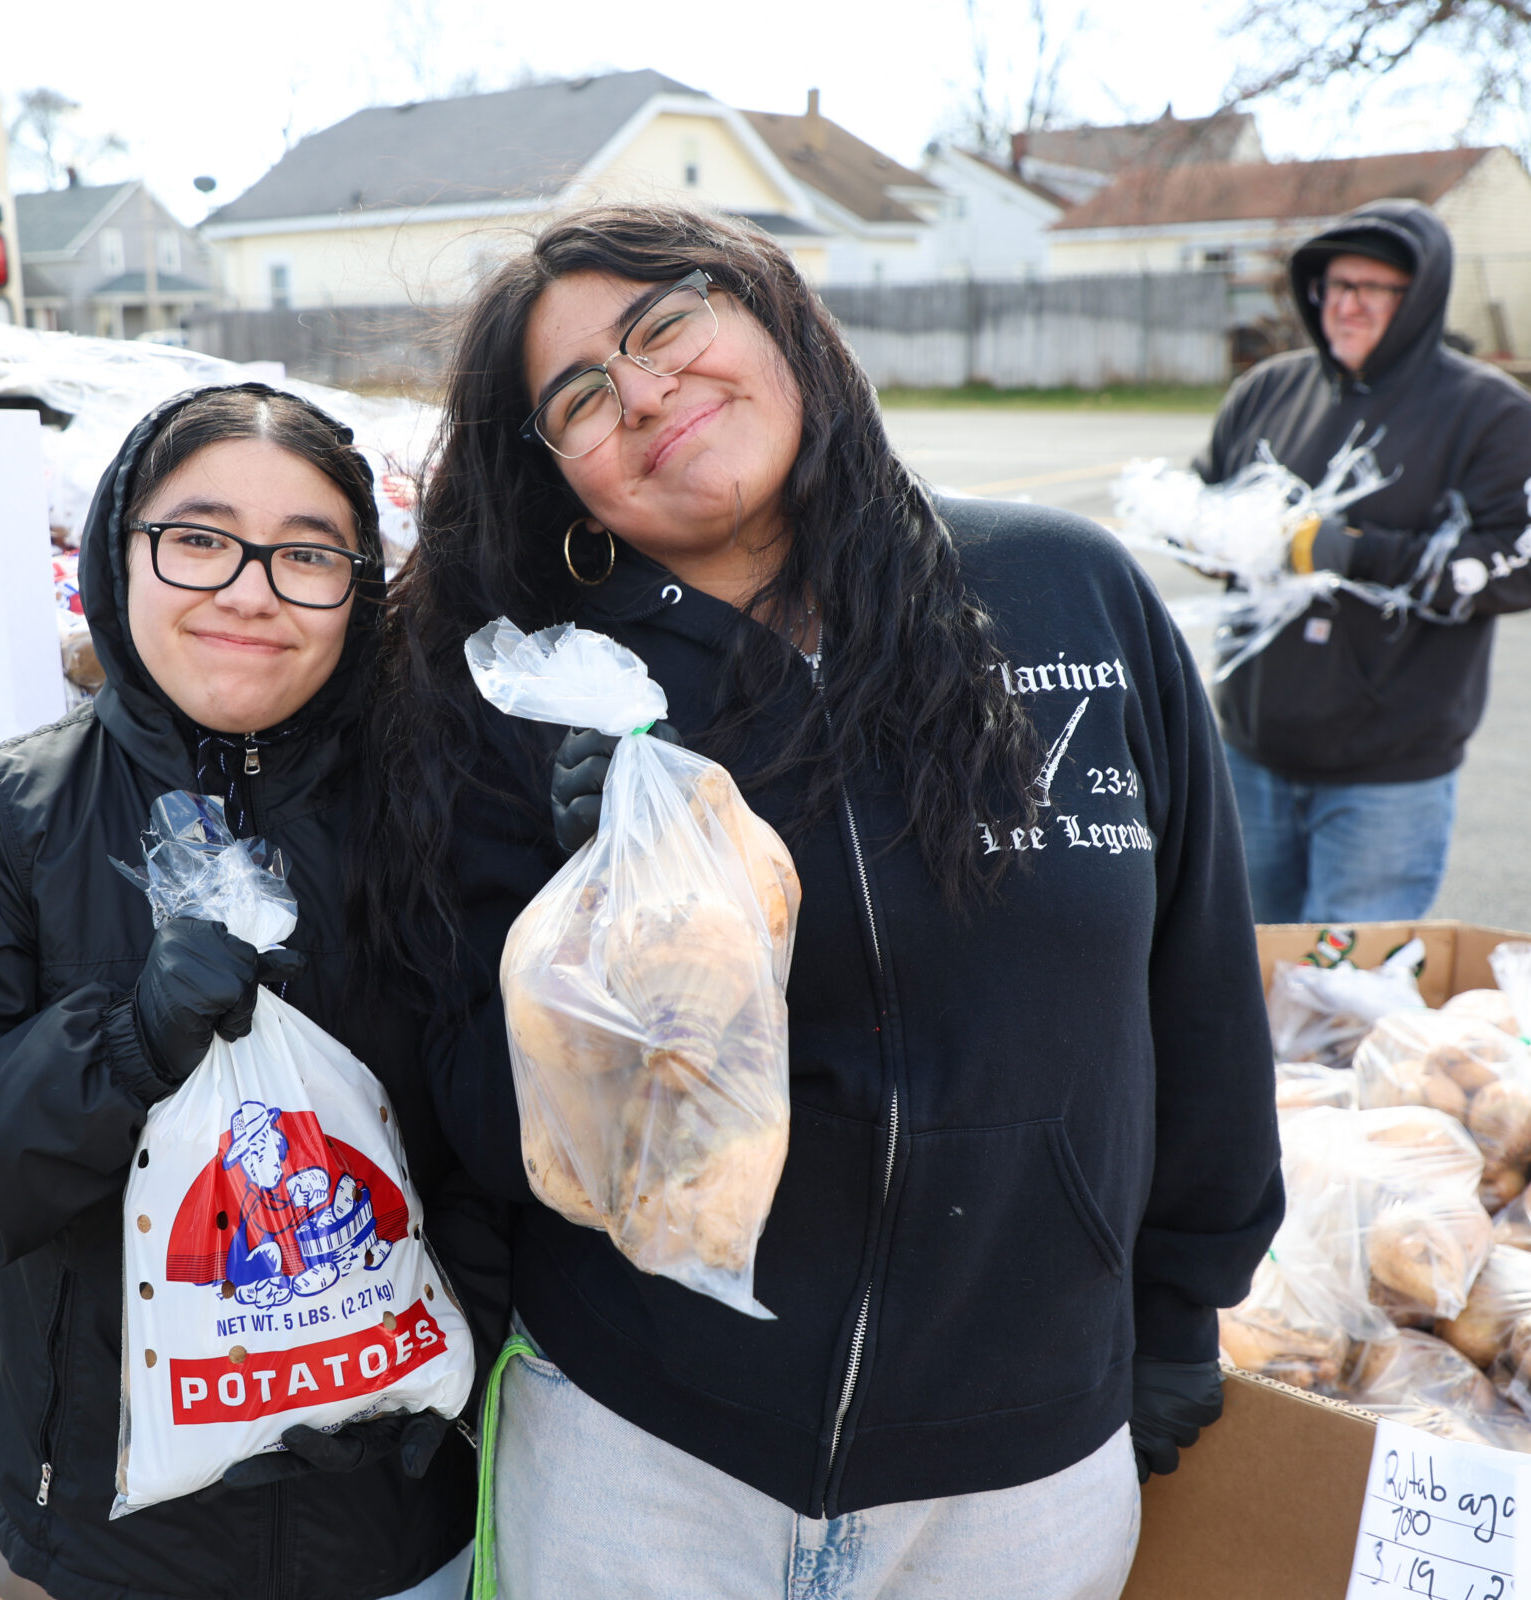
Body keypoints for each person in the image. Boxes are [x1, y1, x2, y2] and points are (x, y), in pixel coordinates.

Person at [361, 204, 1283, 1599]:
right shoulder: (538, 698)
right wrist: (595, 956)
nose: (647, 393)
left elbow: (1197, 981)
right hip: (648, 1456)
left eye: (665, 325)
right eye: (581, 398)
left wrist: (1182, 1309)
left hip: (1019, 1468)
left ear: (774, 312)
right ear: (566, 480)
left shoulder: (1063, 594)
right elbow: (496, 1138)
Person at [0, 385, 489, 1600]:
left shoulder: (433, 812)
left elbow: (513, 1140)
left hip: (404, 1527)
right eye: (199, 537)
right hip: (120, 1539)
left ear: (359, 590)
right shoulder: (3, 824)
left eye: (308, 555)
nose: (248, 588)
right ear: (118, 557)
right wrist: (122, 1044)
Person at [1195, 198, 1531, 924]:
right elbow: (1205, 496)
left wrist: (1350, 554)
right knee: (1241, 981)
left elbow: (1527, 561)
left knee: (1343, 1006)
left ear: (1419, 297)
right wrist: (1208, 533)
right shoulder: (1268, 390)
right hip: (1249, 752)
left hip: (1386, 775)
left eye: (1373, 289)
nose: (1348, 306)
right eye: (1335, 286)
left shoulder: (1491, 414)